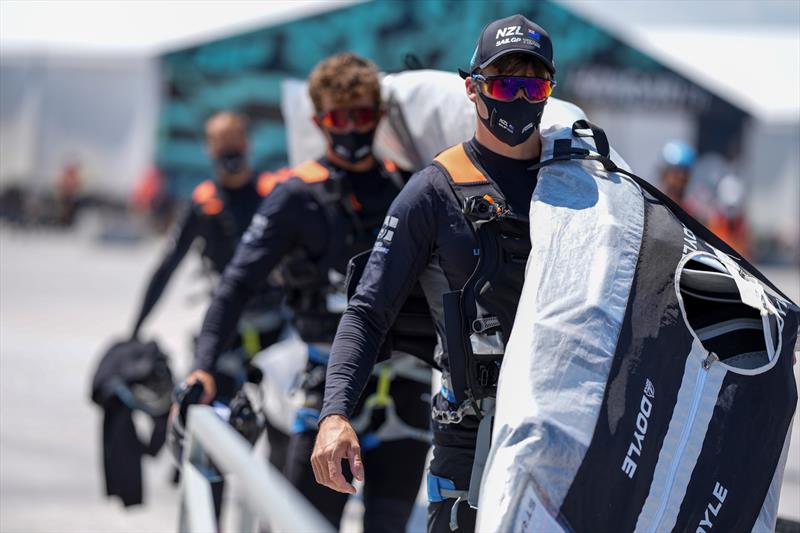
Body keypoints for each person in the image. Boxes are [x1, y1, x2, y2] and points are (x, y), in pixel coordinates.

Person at [311, 14, 556, 532]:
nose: (518, 98)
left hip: (561, 433)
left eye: (532, 85)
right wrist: (335, 413)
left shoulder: (580, 187)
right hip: (470, 437)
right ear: (472, 88)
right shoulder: (434, 190)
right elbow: (368, 311)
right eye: (503, 83)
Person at [183, 53, 431, 531]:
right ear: (319, 121)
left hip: (405, 387)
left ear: (378, 117)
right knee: (303, 523)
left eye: (362, 115)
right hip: (325, 390)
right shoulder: (296, 196)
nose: (353, 128)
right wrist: (203, 365)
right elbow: (235, 285)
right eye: (340, 117)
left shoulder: (409, 186)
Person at [130, 111, 288, 464]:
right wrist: (136, 328)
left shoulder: (273, 194)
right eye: (221, 144)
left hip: (275, 323)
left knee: (282, 434)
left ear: (247, 144)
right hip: (227, 326)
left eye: (235, 142)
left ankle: (274, 511)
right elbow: (166, 267)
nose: (229, 151)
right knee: (209, 417)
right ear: (209, 148)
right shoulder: (203, 204)